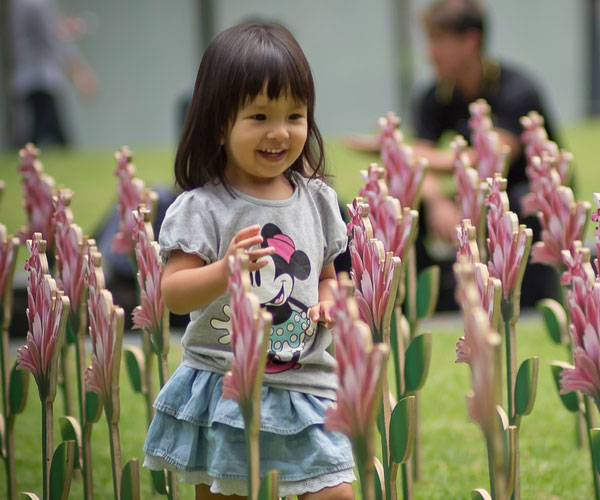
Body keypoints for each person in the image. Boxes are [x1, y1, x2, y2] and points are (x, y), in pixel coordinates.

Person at [142, 23, 355, 500]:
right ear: (220, 123)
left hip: (306, 383)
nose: (279, 132)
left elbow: (327, 276)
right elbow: (173, 292)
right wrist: (225, 272)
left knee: (335, 491)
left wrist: (328, 303)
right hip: (226, 387)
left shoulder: (318, 200)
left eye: (294, 115)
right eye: (259, 116)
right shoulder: (203, 208)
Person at [347, 0, 561, 308]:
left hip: (522, 196)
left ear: (470, 41)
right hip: (473, 193)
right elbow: (420, 160)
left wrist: (394, 148)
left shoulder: (516, 90)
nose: (430, 52)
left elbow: (488, 157)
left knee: (519, 200)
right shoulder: (434, 96)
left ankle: (527, 302)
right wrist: (436, 201)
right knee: (403, 202)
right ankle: (429, 300)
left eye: (439, 40)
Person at [9, 0, 97, 147]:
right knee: (40, 136)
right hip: (40, 79)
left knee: (50, 134)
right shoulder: (36, 3)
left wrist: (61, 27)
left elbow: (43, 33)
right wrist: (79, 71)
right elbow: (53, 40)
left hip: (32, 79)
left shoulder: (20, 4)